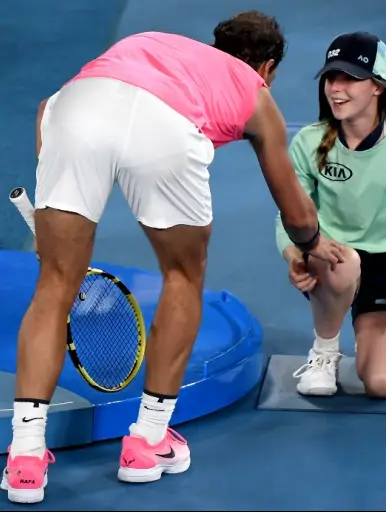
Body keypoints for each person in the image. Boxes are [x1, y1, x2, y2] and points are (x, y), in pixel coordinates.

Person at [2, 11, 346, 504]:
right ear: (268, 67)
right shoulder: (255, 92)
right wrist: (312, 245)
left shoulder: (152, 42)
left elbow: (46, 108)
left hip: (76, 111)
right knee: (184, 274)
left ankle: (26, 458)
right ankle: (147, 441)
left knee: (55, 283)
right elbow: (291, 202)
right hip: (164, 129)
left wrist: (55, 206)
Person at [275, 31, 386, 399]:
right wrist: (293, 254)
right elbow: (288, 215)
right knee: (345, 261)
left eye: (350, 79)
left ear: (377, 87)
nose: (336, 88)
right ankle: (325, 351)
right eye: (331, 77)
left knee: (380, 384)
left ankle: (368, 328)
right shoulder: (308, 142)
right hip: (330, 260)